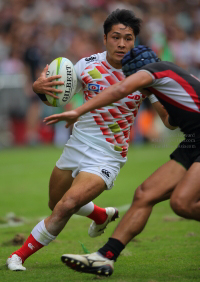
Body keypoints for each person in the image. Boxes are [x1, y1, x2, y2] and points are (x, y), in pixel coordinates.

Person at [7, 9, 162, 272]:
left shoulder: (144, 74)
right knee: (55, 203)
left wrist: (174, 96)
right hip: (76, 145)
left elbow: (167, 118)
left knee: (66, 206)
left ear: (135, 41)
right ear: (105, 38)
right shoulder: (88, 65)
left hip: (108, 155)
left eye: (128, 38)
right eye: (116, 37)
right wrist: (38, 88)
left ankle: (18, 256)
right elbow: (55, 95)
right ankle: (101, 214)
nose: (122, 43)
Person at [45, 45, 200, 277]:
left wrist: (79, 111)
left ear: (138, 72)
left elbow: (119, 90)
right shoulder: (168, 80)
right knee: (144, 194)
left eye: (131, 75)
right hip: (194, 140)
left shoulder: (153, 70)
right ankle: (104, 258)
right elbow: (171, 121)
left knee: (182, 203)